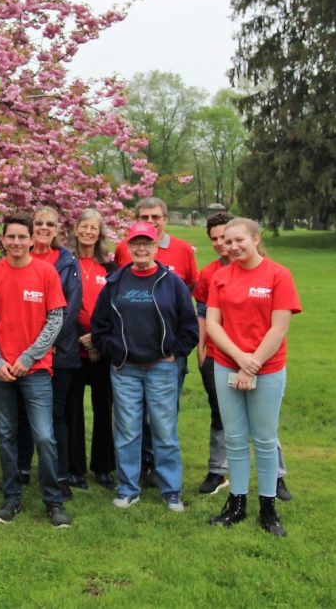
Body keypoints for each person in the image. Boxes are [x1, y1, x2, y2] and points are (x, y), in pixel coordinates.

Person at [91, 221, 198, 513]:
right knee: (127, 431)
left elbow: (189, 326)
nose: (141, 248)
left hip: (161, 367)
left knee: (164, 430)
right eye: (136, 243)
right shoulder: (116, 282)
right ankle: (128, 489)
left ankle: (171, 491)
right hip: (125, 368)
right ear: (128, 246)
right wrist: (113, 349)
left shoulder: (171, 282)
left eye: (147, 243)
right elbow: (99, 326)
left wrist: (175, 352)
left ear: (155, 246)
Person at [206, 218, 301, 536]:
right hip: (227, 363)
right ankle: (236, 503)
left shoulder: (278, 275)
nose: (232, 247)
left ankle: (268, 508)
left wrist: (252, 364)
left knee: (264, 439)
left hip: (267, 367)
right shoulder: (221, 277)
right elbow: (213, 324)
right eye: (227, 241)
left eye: (239, 240)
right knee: (234, 438)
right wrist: (239, 359)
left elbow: (279, 327)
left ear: (256, 239)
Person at [0, 215, 72, 528]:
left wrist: (29, 357)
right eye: (11, 237)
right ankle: (11, 498)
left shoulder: (45, 272)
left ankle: (53, 500)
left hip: (36, 370)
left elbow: (55, 319)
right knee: (5, 435)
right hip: (1, 371)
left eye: (22, 237)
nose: (17, 242)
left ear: (32, 240)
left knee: (44, 436)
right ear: (3, 240)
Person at [113, 197, 198, 487]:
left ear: (165, 220)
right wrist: (115, 348)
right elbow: (111, 303)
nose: (151, 222)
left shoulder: (183, 251)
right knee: (131, 421)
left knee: (162, 418)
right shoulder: (122, 251)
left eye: (156, 217)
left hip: (166, 355)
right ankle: (139, 470)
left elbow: (189, 294)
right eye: (144, 217)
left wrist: (176, 348)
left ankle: (163, 477)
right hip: (129, 358)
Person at [23, 206, 82, 499]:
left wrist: (46, 342)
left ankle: (60, 474)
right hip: (23, 350)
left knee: (56, 414)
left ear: (57, 229)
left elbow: (70, 307)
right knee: (23, 413)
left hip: (60, 350)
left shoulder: (68, 262)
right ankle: (22, 469)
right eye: (39, 223)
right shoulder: (21, 257)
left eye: (50, 224)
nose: (44, 228)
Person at [67, 208, 117, 489]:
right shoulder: (65, 263)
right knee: (72, 409)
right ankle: (74, 468)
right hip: (72, 347)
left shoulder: (110, 268)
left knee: (104, 408)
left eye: (93, 228)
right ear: (75, 230)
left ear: (100, 234)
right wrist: (81, 337)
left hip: (102, 348)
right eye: (83, 226)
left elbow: (116, 308)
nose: (87, 232)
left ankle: (103, 466)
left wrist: (97, 338)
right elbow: (60, 303)